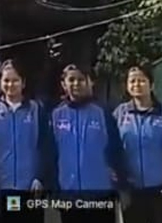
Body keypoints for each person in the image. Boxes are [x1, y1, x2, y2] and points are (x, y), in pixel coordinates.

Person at [50, 63, 127, 223]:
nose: (76, 84)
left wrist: (120, 182)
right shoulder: (55, 115)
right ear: (64, 84)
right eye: (71, 80)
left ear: (90, 82)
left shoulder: (103, 112)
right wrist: (54, 189)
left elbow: (116, 151)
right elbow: (50, 154)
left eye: (81, 79)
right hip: (69, 195)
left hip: (101, 194)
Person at [0, 59, 48, 223]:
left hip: (30, 188)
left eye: (15, 80)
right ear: (0, 82)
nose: (10, 85)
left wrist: (40, 177)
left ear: (23, 82)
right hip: (1, 186)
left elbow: (46, 147)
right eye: (6, 80)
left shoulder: (37, 109)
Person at [114, 64, 162, 223]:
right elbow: (110, 148)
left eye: (141, 80)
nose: (137, 84)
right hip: (130, 190)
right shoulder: (119, 114)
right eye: (132, 81)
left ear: (151, 85)